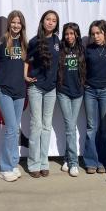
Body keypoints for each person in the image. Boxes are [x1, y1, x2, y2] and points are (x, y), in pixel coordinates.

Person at [0, 10, 27, 182]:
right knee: (11, 128)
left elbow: (25, 65)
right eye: (13, 22)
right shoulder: (0, 42)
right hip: (4, 90)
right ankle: (4, 167)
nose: (16, 25)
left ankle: (13, 163)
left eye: (19, 22)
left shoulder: (24, 43)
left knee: (15, 128)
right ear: (9, 24)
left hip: (20, 91)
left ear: (22, 25)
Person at [24, 10, 60, 178]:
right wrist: (25, 75)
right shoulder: (34, 41)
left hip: (51, 89)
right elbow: (26, 60)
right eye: (48, 19)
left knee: (46, 126)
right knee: (36, 126)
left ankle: (44, 162)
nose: (51, 22)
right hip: (36, 88)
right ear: (43, 21)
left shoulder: (57, 41)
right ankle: (33, 164)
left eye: (54, 20)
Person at [83, 20, 106, 174]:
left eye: (98, 33)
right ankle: (90, 161)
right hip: (89, 91)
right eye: (93, 33)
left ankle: (104, 161)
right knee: (91, 127)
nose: (95, 36)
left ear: (105, 33)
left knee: (104, 128)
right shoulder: (88, 49)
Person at [57, 23, 86, 177]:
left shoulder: (82, 49)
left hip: (78, 93)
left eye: (72, 33)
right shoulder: (60, 50)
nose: (69, 36)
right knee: (70, 126)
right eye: (67, 34)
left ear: (76, 35)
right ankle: (74, 163)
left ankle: (67, 159)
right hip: (63, 92)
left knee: (71, 126)